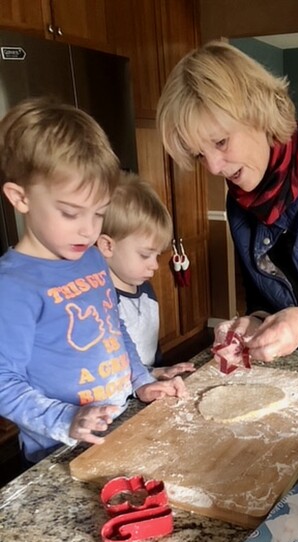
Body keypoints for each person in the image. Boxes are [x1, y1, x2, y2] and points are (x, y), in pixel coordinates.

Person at [156, 40, 298, 362]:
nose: (212, 167)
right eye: (199, 154)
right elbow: (261, 300)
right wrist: (252, 323)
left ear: (258, 112)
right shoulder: (239, 206)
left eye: (221, 141)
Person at [0, 97, 187, 465]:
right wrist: (65, 418)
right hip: (59, 449)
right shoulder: (14, 286)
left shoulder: (90, 259)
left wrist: (141, 381)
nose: (87, 229)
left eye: (99, 213)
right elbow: (3, 382)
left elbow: (112, 330)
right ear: (20, 197)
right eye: (70, 213)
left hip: (116, 425)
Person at [96, 171, 195, 379]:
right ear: (107, 246)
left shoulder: (145, 290)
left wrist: (160, 370)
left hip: (148, 383)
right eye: (145, 255)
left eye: (157, 255)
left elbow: (150, 349)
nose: (155, 266)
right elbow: (107, 370)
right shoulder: (99, 302)